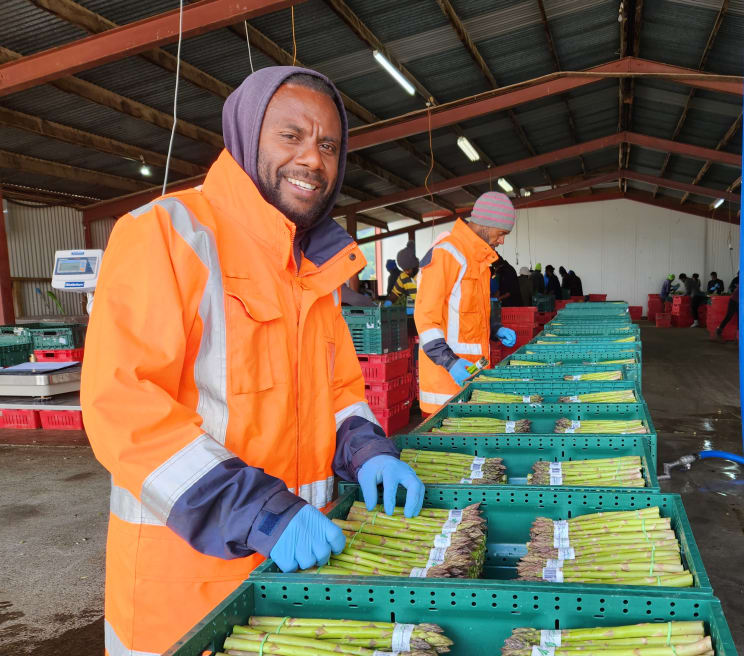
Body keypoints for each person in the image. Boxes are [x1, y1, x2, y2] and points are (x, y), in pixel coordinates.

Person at [80, 67, 425, 655]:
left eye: (328, 145)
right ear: (244, 137)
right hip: (187, 586)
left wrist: (367, 452)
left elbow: (340, 393)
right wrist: (262, 514)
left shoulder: (316, 269)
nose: (313, 160)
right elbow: (125, 408)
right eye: (290, 136)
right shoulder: (167, 235)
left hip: (297, 581)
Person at [416, 191, 518, 414]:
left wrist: (494, 329)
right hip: (445, 387)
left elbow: (466, 315)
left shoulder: (478, 260)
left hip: (472, 377)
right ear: (485, 224)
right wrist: (450, 362)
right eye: (501, 233)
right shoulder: (446, 254)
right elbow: (426, 321)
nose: (502, 240)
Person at [388, 242, 419, 308]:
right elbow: (395, 293)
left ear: (414, 265)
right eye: (404, 269)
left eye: (408, 269)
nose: (406, 272)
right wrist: (388, 303)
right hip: (412, 310)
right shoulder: (403, 276)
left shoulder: (424, 273)